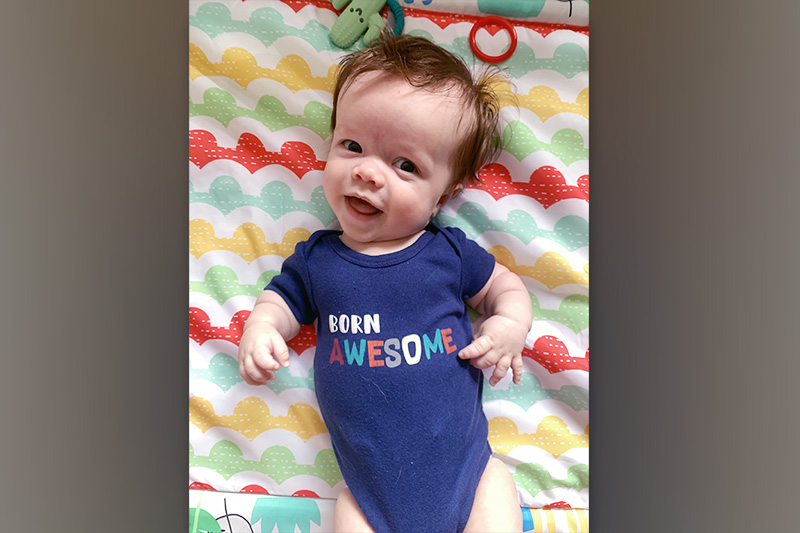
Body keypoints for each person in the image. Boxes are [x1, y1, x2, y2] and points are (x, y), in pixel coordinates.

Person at [237, 34, 531, 532]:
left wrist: (509, 327)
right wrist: (262, 328)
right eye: (352, 146)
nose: (368, 172)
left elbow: (507, 288)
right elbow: (280, 301)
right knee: (344, 512)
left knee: (499, 491)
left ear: (444, 194)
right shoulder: (318, 260)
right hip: (369, 495)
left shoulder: (449, 252)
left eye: (405, 165)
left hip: (470, 478)